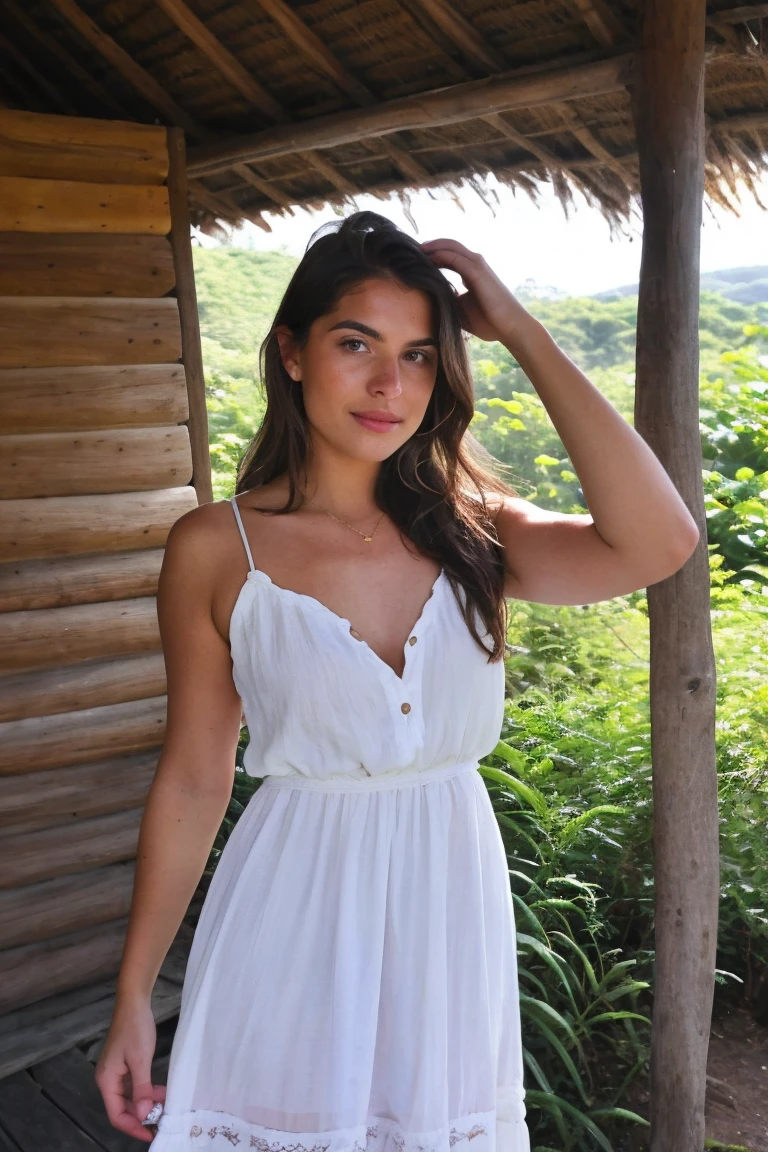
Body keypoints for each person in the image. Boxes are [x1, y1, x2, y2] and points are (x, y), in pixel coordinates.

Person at [95, 211, 699, 1152]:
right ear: (291, 353)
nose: (390, 384)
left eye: (420, 355)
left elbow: (659, 541)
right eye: (356, 344)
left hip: (446, 915)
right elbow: (193, 777)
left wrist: (524, 334)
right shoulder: (218, 549)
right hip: (288, 915)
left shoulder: (475, 533)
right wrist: (135, 995)